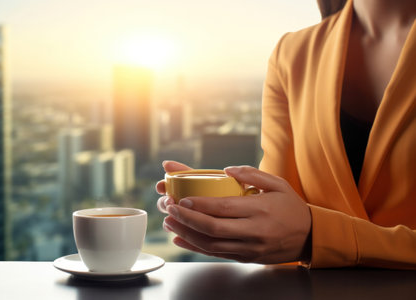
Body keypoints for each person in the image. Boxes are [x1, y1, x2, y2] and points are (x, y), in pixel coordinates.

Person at [156, 0, 416, 269]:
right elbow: (283, 233)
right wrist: (228, 214)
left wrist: (320, 237)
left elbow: (303, 233)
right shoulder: (293, 54)